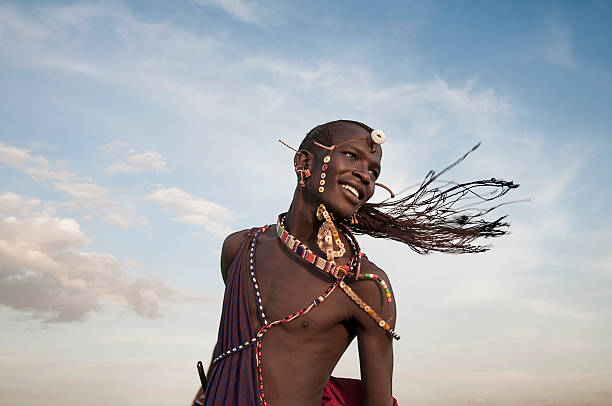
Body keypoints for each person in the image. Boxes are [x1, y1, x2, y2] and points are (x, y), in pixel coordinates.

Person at [192, 120, 517, 406]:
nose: (365, 175)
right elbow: (227, 354)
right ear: (303, 161)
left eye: (374, 172)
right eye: (352, 156)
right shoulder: (239, 249)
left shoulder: (367, 286)